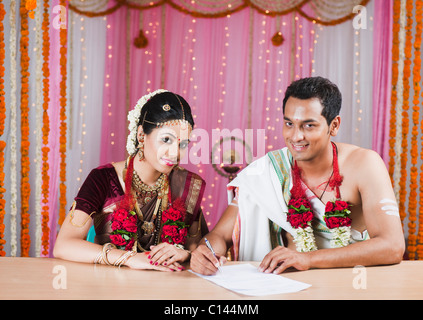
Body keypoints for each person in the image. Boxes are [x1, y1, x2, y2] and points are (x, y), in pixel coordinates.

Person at [190, 76, 405, 275]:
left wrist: (308, 259)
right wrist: (205, 252)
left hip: (347, 285)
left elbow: (392, 245)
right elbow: (219, 235)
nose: (296, 136)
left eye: (308, 125)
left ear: (334, 125)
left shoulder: (364, 164)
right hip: (282, 289)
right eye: (289, 123)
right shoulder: (268, 171)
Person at [54, 90, 208, 271]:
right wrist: (128, 258)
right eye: (166, 139)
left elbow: (198, 247)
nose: (175, 153)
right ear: (141, 135)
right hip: (110, 287)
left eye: (183, 144)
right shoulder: (103, 178)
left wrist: (186, 254)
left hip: (168, 289)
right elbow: (64, 245)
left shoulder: (187, 184)